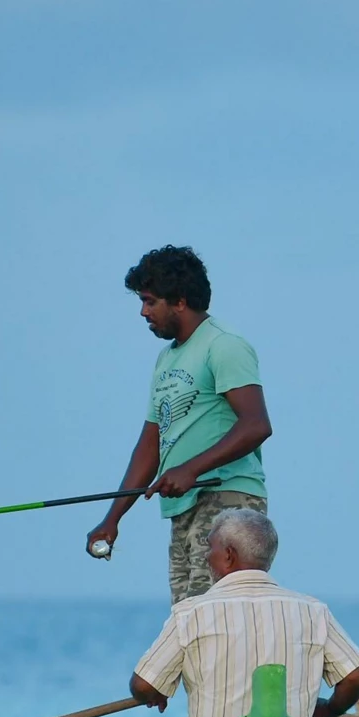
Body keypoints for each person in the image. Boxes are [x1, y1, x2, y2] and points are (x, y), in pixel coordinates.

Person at [86, 245, 273, 604]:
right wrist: (113, 519)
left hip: (227, 502)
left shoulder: (224, 345)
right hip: (183, 509)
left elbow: (256, 424)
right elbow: (149, 445)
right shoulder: (166, 358)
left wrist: (190, 470)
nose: (143, 312)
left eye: (150, 301)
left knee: (215, 616)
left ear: (181, 302)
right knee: (186, 622)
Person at [129, 508, 359, 717]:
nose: (206, 556)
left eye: (210, 547)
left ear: (228, 555)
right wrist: (329, 709)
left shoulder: (190, 613)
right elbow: (356, 677)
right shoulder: (313, 611)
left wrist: (154, 693)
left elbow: (143, 685)